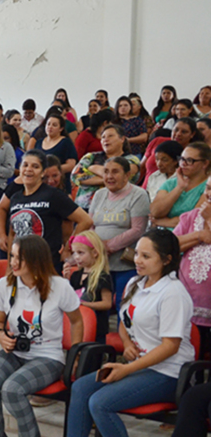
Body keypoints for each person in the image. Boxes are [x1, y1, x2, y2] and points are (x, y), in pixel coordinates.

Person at [38, 229, 196, 437]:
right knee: (81, 387)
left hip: (168, 372)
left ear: (167, 259)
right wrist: (126, 343)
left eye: (146, 256)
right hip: (139, 365)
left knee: (101, 402)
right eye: (137, 253)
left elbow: (171, 346)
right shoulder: (136, 282)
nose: (138, 260)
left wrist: (127, 368)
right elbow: (125, 320)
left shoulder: (173, 293)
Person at [0, 235, 82, 437]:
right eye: (13, 257)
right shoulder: (5, 285)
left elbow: (77, 321)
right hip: (15, 351)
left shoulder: (59, 286)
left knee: (12, 389)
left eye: (20, 258)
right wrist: (1, 335)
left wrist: (74, 355)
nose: (14, 263)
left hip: (48, 356)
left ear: (37, 260)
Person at [0, 150, 92, 267]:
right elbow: (12, 234)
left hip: (46, 266)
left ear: (42, 173)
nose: (29, 169)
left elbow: (85, 220)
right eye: (25, 165)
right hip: (21, 267)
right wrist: (10, 267)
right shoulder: (15, 197)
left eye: (35, 166)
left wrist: (68, 248)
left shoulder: (53, 195)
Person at [87, 157, 150, 304]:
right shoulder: (99, 194)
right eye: (106, 172)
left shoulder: (138, 194)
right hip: (99, 262)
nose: (109, 176)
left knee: (123, 305)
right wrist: (94, 246)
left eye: (115, 172)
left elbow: (138, 229)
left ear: (127, 175)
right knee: (97, 304)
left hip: (124, 264)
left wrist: (107, 246)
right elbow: (90, 224)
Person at [174, 178, 211, 358]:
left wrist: (210, 220)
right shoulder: (191, 217)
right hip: (189, 302)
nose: (209, 194)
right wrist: (199, 235)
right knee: (189, 357)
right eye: (208, 189)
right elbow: (171, 246)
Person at [70, 124, 140, 212]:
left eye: (110, 136)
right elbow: (76, 176)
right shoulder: (91, 156)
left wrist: (93, 168)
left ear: (122, 139)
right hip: (85, 208)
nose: (106, 139)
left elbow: (125, 176)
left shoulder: (131, 159)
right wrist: (113, 179)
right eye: (103, 137)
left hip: (116, 209)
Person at [65, 231, 114, 342]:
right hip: (76, 326)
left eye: (81, 253)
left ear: (95, 253)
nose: (76, 257)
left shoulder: (102, 277)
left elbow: (107, 303)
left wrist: (85, 304)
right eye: (74, 253)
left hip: (96, 327)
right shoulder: (76, 275)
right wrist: (65, 280)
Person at [152, 142, 211, 228]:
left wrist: (163, 222)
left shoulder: (208, 187)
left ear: (205, 163)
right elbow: (155, 212)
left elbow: (194, 219)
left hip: (187, 237)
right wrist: (179, 188)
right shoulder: (171, 183)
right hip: (160, 233)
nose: (183, 164)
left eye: (190, 160)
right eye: (182, 159)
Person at [27, 114, 77, 190]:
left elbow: (71, 165)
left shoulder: (66, 142)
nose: (50, 127)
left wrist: (51, 171)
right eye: (48, 124)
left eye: (54, 125)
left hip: (60, 183)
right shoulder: (39, 142)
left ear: (61, 128)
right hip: (41, 182)